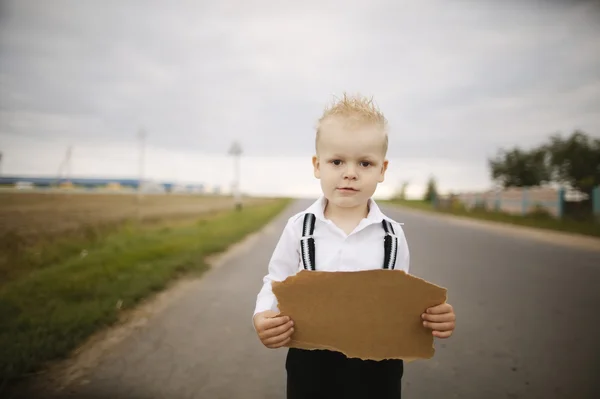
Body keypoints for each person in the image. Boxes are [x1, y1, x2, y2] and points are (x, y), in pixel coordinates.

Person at [252, 93, 456, 399]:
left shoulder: (391, 235)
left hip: (378, 364)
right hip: (311, 360)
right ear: (317, 165)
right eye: (337, 161)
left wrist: (434, 316)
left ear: (382, 170)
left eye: (365, 163)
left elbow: (401, 301)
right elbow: (277, 279)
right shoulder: (300, 229)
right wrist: (262, 316)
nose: (350, 172)